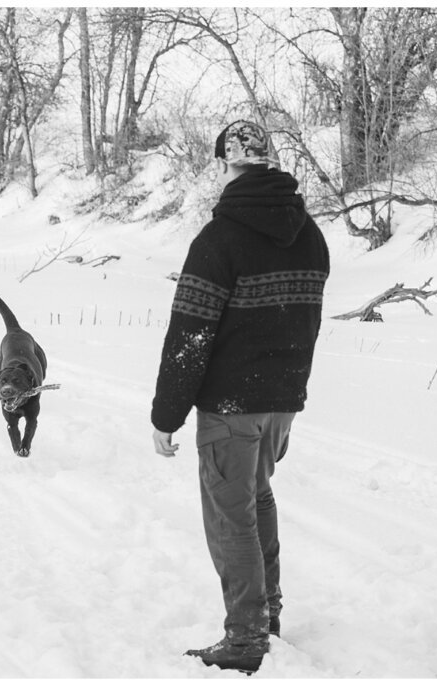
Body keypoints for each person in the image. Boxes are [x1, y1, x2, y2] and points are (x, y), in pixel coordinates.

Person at [150, 120, 330, 672]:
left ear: (226, 165)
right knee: (256, 499)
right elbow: (307, 322)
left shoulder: (218, 239)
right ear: (269, 162)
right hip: (281, 401)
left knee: (231, 518)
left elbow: (189, 336)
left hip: (230, 407)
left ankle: (247, 636)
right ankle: (266, 615)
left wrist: (166, 415)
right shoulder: (311, 233)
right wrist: (289, 389)